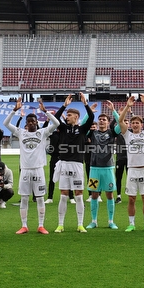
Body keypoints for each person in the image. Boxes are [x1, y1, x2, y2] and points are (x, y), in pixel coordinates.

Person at [3, 98, 59, 234]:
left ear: (36, 122)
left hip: (38, 170)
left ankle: (41, 225)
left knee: (40, 198)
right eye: (29, 121)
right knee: (24, 198)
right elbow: (6, 123)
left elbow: (56, 123)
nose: (31, 123)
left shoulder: (43, 133)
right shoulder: (21, 132)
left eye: (33, 121)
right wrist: (14, 110)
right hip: (25, 170)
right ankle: (24, 225)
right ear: (26, 124)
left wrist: (46, 112)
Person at [51, 92, 94, 233]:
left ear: (76, 117)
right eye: (67, 115)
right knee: (63, 194)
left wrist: (85, 103)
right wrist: (64, 106)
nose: (67, 117)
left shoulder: (82, 129)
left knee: (79, 194)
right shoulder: (63, 128)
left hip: (77, 165)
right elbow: (56, 118)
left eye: (70, 115)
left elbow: (92, 117)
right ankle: (60, 224)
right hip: (64, 163)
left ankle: (80, 224)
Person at [116, 94, 144, 232]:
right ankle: (131, 223)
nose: (134, 124)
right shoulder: (127, 134)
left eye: (137, 123)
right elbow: (120, 120)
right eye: (132, 123)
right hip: (132, 170)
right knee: (131, 199)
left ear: (141, 124)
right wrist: (127, 106)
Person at [85, 102, 120, 229]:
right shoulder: (92, 133)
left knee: (109, 194)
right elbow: (83, 125)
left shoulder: (112, 133)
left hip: (108, 168)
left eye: (104, 119)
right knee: (94, 194)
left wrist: (114, 110)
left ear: (108, 122)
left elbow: (121, 125)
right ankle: (94, 221)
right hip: (94, 168)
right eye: (99, 119)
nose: (101, 121)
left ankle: (111, 221)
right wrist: (89, 111)